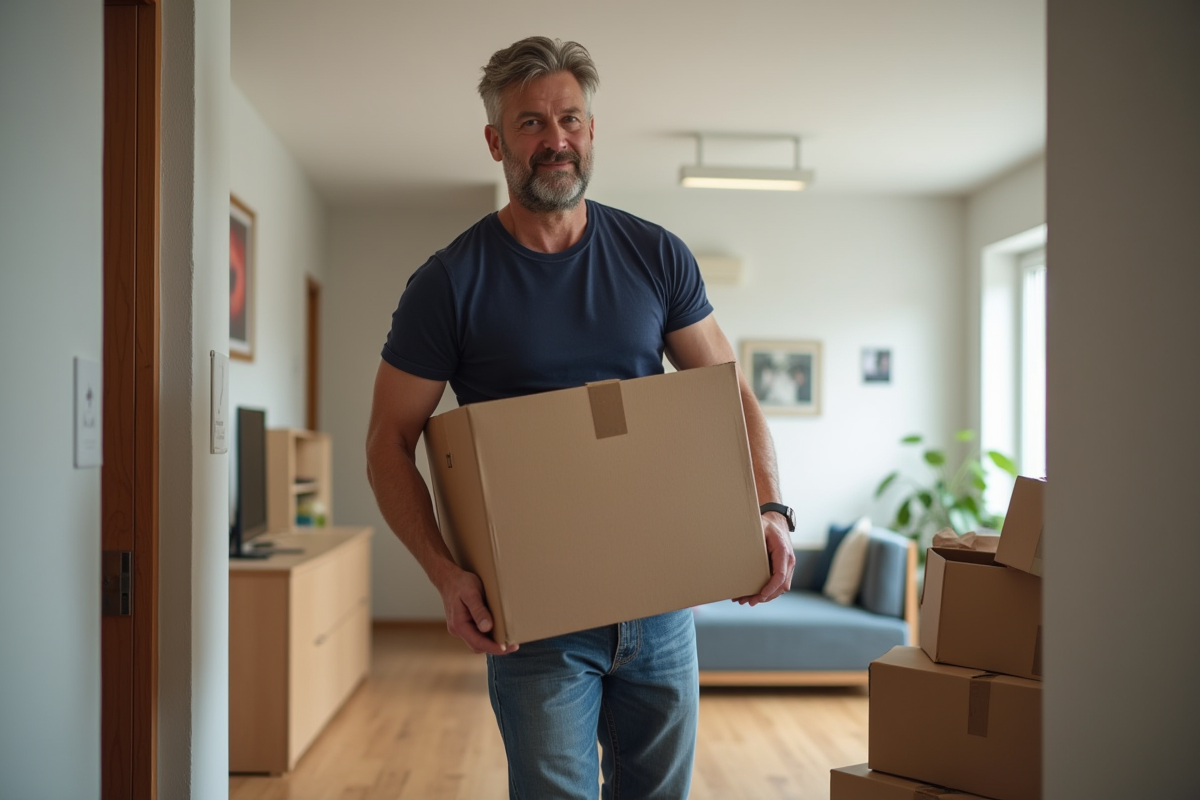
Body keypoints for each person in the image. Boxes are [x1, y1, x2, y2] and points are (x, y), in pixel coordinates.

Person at [365, 35, 796, 800]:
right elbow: (388, 442)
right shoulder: (448, 284)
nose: (554, 140)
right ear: (496, 141)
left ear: (592, 132)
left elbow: (732, 392)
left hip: (663, 604)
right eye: (530, 123)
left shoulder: (655, 255)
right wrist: (443, 574)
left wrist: (768, 509)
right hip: (534, 619)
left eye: (569, 119)